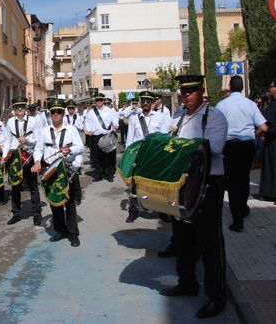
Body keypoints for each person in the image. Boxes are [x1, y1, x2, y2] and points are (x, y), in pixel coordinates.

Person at [159, 75, 228, 319]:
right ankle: (187, 282)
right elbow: (167, 143)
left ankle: (216, 296)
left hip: (208, 183)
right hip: (182, 182)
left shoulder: (213, 116)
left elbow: (216, 147)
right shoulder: (177, 116)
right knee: (182, 237)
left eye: (192, 90)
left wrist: (182, 148)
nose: (186, 94)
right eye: (183, 90)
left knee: (209, 241)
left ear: (201, 91)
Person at [215, 76, 267, 232]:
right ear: (242, 87)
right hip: (247, 145)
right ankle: (243, 208)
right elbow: (263, 128)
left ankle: (237, 219)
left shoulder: (222, 105)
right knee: (244, 178)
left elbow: (217, 126)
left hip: (229, 146)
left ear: (230, 86)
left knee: (232, 182)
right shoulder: (251, 104)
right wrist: (254, 134)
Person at [32, 98, 83, 247]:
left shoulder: (71, 129)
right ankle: (60, 230)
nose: (55, 114)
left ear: (63, 113)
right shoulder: (44, 131)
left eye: (58, 112)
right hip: (49, 168)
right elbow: (39, 149)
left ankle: (73, 234)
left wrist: (70, 150)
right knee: (55, 202)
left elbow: (80, 146)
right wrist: (36, 161)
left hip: (66, 168)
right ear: (50, 114)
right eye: (53, 112)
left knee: (70, 202)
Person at [125, 91, 170, 223]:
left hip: (154, 156)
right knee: (135, 185)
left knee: (158, 185)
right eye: (143, 101)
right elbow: (130, 139)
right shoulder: (134, 118)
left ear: (152, 102)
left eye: (148, 101)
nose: (145, 104)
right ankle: (133, 211)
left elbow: (164, 138)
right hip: (139, 156)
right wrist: (130, 156)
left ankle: (162, 211)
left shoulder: (160, 117)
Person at [3, 96, 42, 226]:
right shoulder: (9, 122)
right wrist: (4, 156)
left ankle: (37, 213)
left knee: (33, 187)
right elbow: (7, 141)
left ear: (25, 108)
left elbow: (38, 139)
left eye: (21, 107)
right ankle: (16, 213)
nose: (19, 109)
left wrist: (28, 140)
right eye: (16, 107)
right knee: (15, 186)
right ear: (14, 109)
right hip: (15, 159)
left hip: (29, 157)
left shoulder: (33, 121)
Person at [84, 93, 118, 182]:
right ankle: (98, 173)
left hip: (107, 136)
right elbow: (87, 122)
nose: (99, 102)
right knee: (96, 156)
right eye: (97, 100)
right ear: (95, 102)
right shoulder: (91, 112)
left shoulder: (110, 110)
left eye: (100, 100)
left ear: (103, 101)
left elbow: (115, 119)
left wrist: (115, 124)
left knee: (109, 156)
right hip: (96, 137)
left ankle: (109, 174)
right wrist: (88, 130)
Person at [64, 100, 84, 204]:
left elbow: (81, 127)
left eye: (72, 108)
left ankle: (77, 197)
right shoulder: (64, 117)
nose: (71, 110)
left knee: (75, 175)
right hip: (67, 142)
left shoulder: (78, 117)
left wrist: (74, 128)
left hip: (75, 140)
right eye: (69, 108)